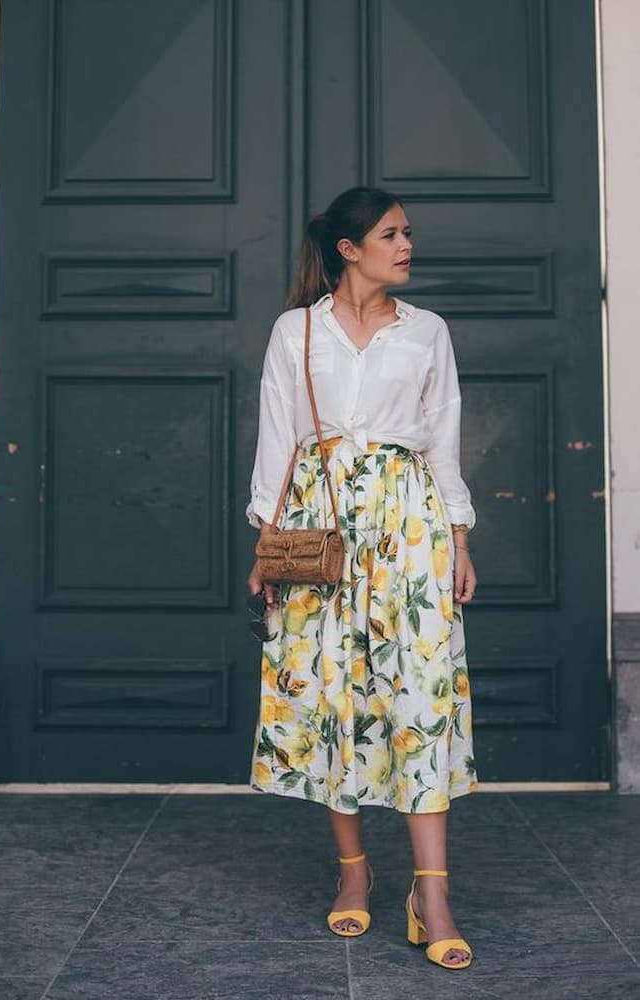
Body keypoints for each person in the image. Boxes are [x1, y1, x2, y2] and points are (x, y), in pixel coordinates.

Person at [246, 186, 478, 970]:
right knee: (330, 691)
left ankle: (432, 891)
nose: (406, 245)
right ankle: (353, 874)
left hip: (409, 525)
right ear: (348, 249)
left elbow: (442, 436)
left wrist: (458, 536)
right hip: (321, 526)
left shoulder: (427, 333)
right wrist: (267, 541)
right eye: (390, 234)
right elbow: (278, 435)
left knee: (420, 689)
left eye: (407, 233)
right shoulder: (296, 330)